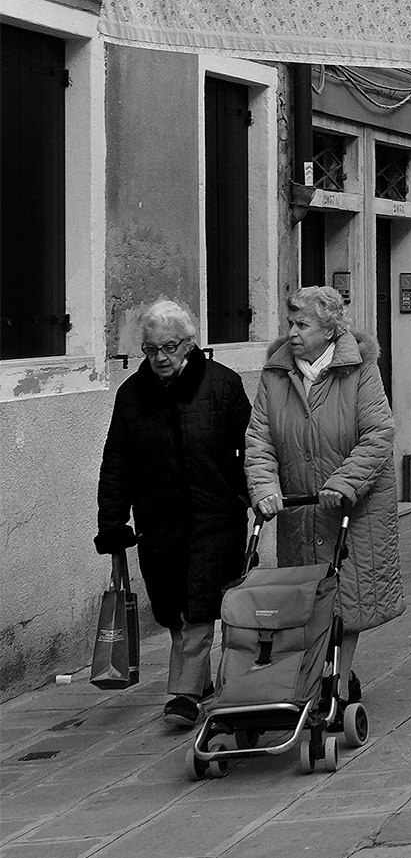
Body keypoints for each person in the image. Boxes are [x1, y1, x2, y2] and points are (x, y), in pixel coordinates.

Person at [95, 300, 252, 727]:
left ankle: (182, 695)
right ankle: (198, 682)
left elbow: (254, 449)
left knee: (199, 606)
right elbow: (117, 463)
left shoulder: (222, 385)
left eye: (169, 347)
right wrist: (111, 522)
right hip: (158, 521)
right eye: (150, 349)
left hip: (215, 516)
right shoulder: (132, 395)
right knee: (172, 606)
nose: (160, 358)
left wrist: (256, 494)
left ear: (189, 343)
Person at [247, 287, 403, 703]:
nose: (292, 333)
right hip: (301, 509)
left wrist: (342, 483)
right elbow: (259, 438)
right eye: (290, 324)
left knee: (346, 600)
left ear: (330, 329)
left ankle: (338, 681)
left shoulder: (359, 370)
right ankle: (316, 679)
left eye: (303, 324)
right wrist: (264, 488)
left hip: (354, 507)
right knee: (308, 602)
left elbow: (378, 434)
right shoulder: (275, 375)